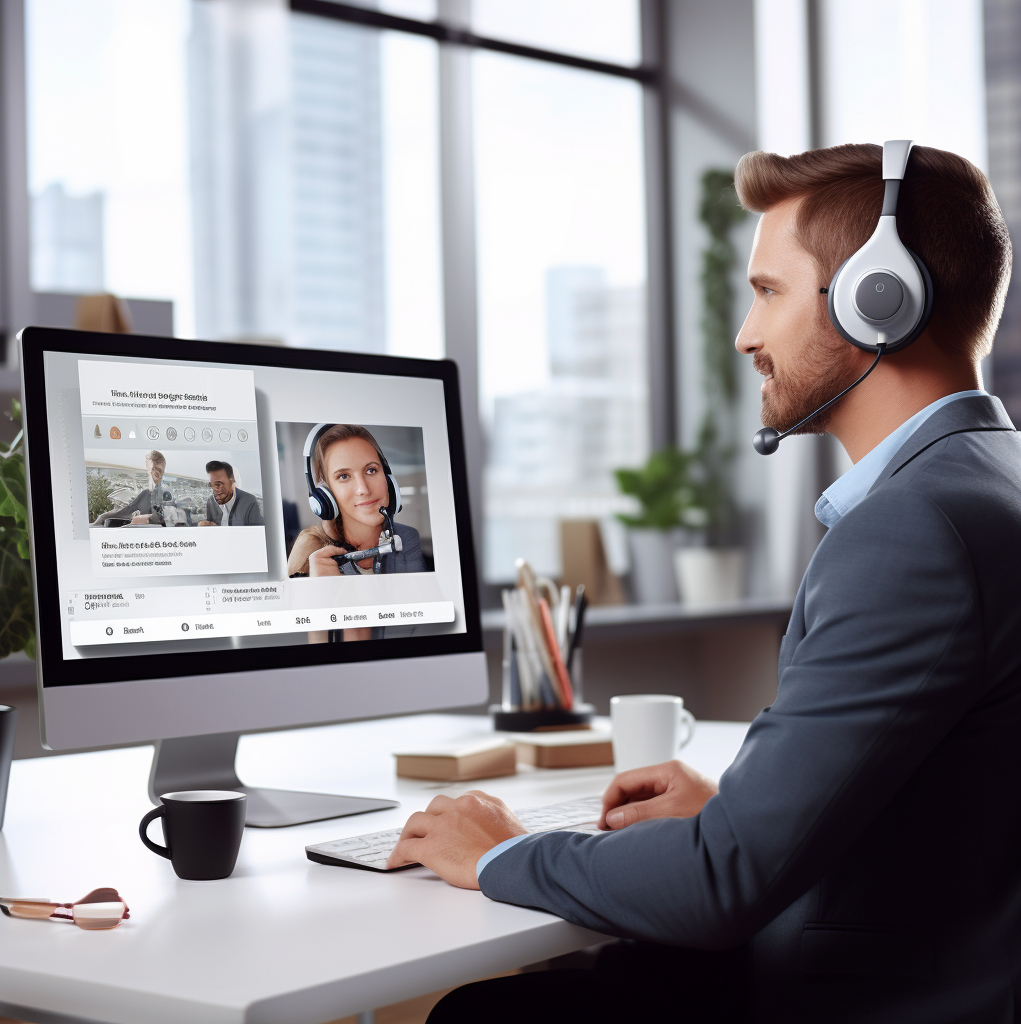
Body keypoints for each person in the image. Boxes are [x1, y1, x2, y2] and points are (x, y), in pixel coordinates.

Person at [388, 144, 1021, 1024]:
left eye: (768, 292)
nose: (746, 334)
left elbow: (721, 885)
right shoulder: (989, 483)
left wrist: (500, 851)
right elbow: (957, 803)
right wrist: (745, 810)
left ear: (880, 299)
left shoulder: (914, 529)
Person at [287, 424, 426, 643]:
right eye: (343, 476)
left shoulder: (406, 539)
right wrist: (318, 609)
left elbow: (418, 631)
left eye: (371, 470)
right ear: (325, 495)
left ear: (388, 478)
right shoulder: (310, 551)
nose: (363, 488)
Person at [91, 450, 174, 526]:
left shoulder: (167, 495)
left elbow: (170, 518)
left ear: (163, 472)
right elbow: (125, 511)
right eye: (152, 469)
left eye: (159, 470)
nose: (155, 473)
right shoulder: (146, 494)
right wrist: (102, 517)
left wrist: (148, 519)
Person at [198, 461, 264, 527]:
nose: (215, 489)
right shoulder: (211, 501)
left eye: (218, 484)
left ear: (232, 480)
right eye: (211, 485)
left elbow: (258, 532)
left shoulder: (249, 501)